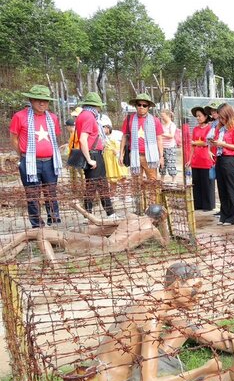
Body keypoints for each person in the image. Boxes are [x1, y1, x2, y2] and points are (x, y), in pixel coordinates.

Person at [95, 262, 234, 381]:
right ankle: (231, 375)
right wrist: (203, 370)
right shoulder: (152, 317)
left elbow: (185, 323)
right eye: (195, 287)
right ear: (176, 286)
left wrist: (226, 334)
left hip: (113, 375)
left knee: (185, 324)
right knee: (209, 379)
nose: (200, 294)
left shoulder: (153, 300)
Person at [0, 204, 170, 264]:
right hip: (107, 247)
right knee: (31, 234)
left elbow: (98, 222)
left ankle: (55, 267)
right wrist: (164, 226)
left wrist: (78, 208)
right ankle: (4, 254)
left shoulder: (131, 217)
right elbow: (166, 244)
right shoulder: (152, 230)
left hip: (102, 245)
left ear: (147, 210)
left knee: (41, 234)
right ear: (159, 219)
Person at [9, 85, 63, 228]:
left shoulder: (52, 118)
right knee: (33, 194)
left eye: (45, 101)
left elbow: (55, 137)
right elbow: (14, 138)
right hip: (29, 161)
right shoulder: (20, 116)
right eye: (38, 100)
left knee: (51, 192)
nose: (42, 103)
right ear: (31, 100)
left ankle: (54, 220)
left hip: (50, 162)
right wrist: (23, 155)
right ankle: (37, 225)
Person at [74, 92, 115, 219]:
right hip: (93, 154)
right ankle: (104, 213)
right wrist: (89, 159)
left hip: (94, 153)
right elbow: (83, 139)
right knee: (97, 185)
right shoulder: (89, 117)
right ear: (96, 106)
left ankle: (94, 213)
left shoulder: (83, 115)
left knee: (96, 185)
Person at [209, 103, 234, 226]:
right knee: (222, 189)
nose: (221, 120)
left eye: (223, 117)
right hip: (219, 159)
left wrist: (223, 144)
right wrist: (213, 143)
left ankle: (232, 217)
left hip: (229, 160)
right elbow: (217, 143)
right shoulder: (219, 128)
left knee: (230, 189)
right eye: (220, 118)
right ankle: (224, 215)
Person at [120, 93, 164, 180]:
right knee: (136, 185)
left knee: (152, 183)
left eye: (144, 105)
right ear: (136, 106)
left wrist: (161, 156)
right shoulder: (129, 119)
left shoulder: (155, 120)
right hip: (134, 156)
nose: (141, 107)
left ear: (148, 107)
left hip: (150, 157)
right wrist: (121, 154)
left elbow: (159, 139)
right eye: (139, 105)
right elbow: (124, 137)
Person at [188, 106, 216, 211]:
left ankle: (208, 205)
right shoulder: (195, 129)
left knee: (207, 184)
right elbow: (192, 146)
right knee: (197, 183)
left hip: (206, 159)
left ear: (205, 116)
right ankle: (198, 204)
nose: (198, 118)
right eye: (197, 116)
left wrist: (196, 142)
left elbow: (207, 142)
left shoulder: (210, 128)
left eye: (200, 116)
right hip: (196, 160)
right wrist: (190, 159)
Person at [101, 117, 127, 188]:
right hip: (109, 160)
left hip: (118, 158)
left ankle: (125, 196)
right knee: (112, 179)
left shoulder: (118, 134)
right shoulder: (102, 137)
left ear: (107, 127)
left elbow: (125, 144)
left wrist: (119, 152)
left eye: (102, 127)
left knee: (123, 178)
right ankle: (113, 196)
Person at [158, 109, 178, 183]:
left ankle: (174, 179)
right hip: (162, 147)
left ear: (168, 116)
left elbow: (171, 135)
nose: (162, 118)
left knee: (170, 163)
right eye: (161, 116)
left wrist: (161, 134)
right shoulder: (162, 125)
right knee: (162, 163)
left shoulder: (172, 125)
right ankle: (162, 178)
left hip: (170, 147)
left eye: (163, 116)